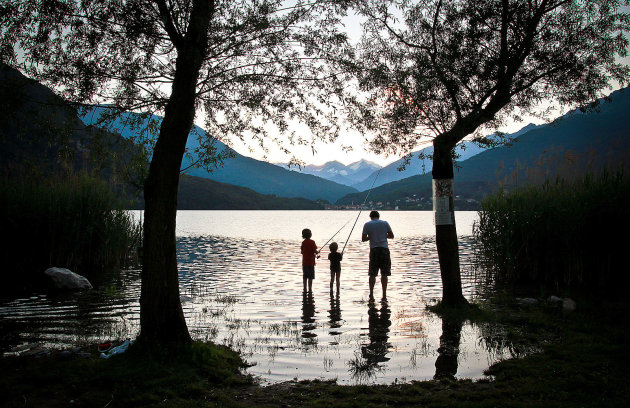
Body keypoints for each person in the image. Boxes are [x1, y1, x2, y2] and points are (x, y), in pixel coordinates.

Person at [361, 210, 394, 301]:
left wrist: (370, 236)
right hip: (384, 250)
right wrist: (384, 235)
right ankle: (384, 295)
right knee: (384, 274)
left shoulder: (367, 224)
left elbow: (363, 239)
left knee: (372, 274)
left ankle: (371, 294)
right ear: (378, 216)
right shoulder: (385, 223)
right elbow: (391, 236)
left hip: (374, 250)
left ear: (370, 217)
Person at [301, 228, 318, 292]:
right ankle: (310, 289)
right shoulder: (312, 242)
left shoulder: (303, 243)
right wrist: (316, 252)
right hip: (311, 263)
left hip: (305, 263)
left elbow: (302, 252)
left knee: (305, 276)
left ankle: (304, 288)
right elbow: (315, 251)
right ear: (310, 234)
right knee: (310, 277)